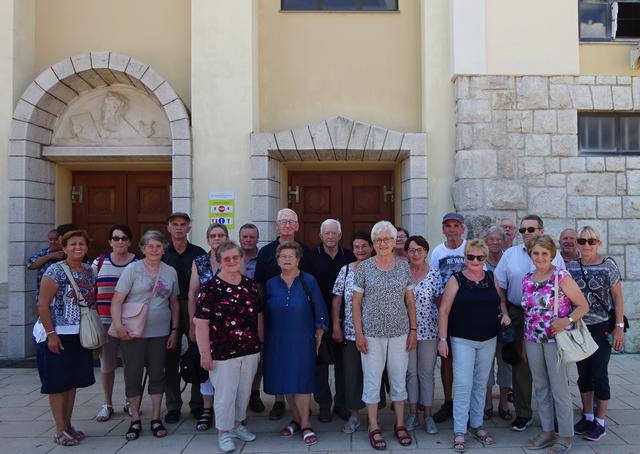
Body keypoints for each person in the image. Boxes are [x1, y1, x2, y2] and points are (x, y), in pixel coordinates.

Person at [437, 239, 510, 453]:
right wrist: (443, 339)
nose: (475, 261)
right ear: (465, 257)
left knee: (480, 384)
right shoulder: (456, 279)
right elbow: (444, 310)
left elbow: (501, 300)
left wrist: (505, 313)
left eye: (480, 257)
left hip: (488, 339)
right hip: (462, 340)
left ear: (485, 258)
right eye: (471, 257)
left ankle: (476, 425)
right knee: (463, 384)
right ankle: (460, 430)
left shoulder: (491, 277)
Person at [494, 214, 565, 432]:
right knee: (521, 365)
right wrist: (504, 310)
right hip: (518, 314)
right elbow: (499, 284)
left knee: (551, 367)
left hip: (548, 317)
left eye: (531, 229)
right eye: (523, 230)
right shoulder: (510, 254)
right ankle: (523, 413)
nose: (526, 233)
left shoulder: (555, 257)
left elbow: (563, 287)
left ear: (541, 231)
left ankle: (555, 416)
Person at [352, 221, 417, 450]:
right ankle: (373, 426)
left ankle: (400, 424)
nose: (382, 243)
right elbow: (356, 304)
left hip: (399, 333)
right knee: (372, 380)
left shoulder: (403, 267)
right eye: (378, 240)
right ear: (373, 243)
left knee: (398, 379)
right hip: (371, 335)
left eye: (386, 239)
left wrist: (413, 330)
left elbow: (410, 302)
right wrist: (359, 334)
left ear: (393, 241)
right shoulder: (364, 268)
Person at [111, 230, 180, 441]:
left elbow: (174, 302)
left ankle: (156, 417)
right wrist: (118, 326)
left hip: (160, 332)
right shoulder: (132, 269)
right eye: (150, 246)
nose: (154, 250)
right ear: (142, 248)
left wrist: (175, 330)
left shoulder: (170, 271)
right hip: (133, 332)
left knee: (157, 374)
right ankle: (135, 419)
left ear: (164, 248)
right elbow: (117, 300)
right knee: (133, 374)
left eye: (158, 246)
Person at [194, 241, 263, 452]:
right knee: (225, 394)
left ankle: (237, 425)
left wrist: (260, 343)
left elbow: (258, 315)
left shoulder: (250, 286)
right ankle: (223, 432)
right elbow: (201, 323)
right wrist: (204, 354)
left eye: (235, 257)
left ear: (241, 259)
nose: (232, 261)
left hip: (249, 349)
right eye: (227, 258)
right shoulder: (210, 289)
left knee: (243, 391)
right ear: (219, 261)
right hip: (222, 352)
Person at [522, 235, 588, 454]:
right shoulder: (527, 279)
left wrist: (566, 320)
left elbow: (583, 306)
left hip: (555, 340)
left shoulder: (561, 276)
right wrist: (524, 342)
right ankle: (548, 431)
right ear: (530, 254)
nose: (540, 257)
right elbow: (528, 312)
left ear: (552, 255)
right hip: (532, 339)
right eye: (536, 253)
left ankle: (566, 435)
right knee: (540, 387)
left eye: (544, 253)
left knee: (559, 388)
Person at [262, 242, 328, 447]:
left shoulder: (309, 280)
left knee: (301, 381)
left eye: (291, 256)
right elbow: (263, 313)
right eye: (283, 256)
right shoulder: (270, 284)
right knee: (286, 381)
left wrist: (319, 334)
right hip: (277, 340)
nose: (287, 259)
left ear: (298, 259)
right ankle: (296, 419)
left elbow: (320, 309)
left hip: (302, 339)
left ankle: (306, 424)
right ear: (277, 261)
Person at [35, 229, 96, 447]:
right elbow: (42, 305)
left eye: (81, 244)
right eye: (73, 244)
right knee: (57, 383)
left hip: (79, 334)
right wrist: (51, 334)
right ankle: (59, 429)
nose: (78, 248)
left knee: (72, 382)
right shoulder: (55, 271)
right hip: (57, 334)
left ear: (86, 248)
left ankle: (68, 425)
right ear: (64, 248)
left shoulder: (89, 271)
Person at [567, 226, 625, 442]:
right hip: (579, 327)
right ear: (577, 244)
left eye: (591, 241)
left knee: (599, 373)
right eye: (582, 241)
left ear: (598, 243)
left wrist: (619, 326)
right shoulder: (571, 266)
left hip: (601, 327)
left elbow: (617, 297)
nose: (586, 245)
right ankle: (588, 416)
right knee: (583, 373)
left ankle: (600, 422)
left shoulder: (608, 265)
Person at [254, 208, 312, 420]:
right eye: (283, 222)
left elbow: (310, 284)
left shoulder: (307, 251)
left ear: (297, 226)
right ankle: (279, 401)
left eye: (291, 222)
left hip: (298, 316)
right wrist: (260, 314)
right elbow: (259, 284)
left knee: (297, 360)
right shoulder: (265, 252)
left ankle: (302, 406)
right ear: (276, 226)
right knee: (277, 358)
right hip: (273, 315)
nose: (287, 225)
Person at [309, 219, 356, 422]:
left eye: (333, 233)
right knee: (320, 365)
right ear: (321, 236)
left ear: (340, 235)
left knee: (343, 364)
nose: (330, 237)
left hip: (344, 318)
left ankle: (341, 403)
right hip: (318, 318)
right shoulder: (311, 257)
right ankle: (324, 405)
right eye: (327, 233)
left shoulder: (349, 256)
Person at [162, 212, 206, 423]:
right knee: (170, 357)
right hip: (167, 307)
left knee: (197, 354)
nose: (179, 228)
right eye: (175, 224)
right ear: (169, 228)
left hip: (193, 305)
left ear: (189, 228)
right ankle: (173, 405)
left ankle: (197, 404)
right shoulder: (162, 253)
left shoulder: (199, 253)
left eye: (183, 224)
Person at [93, 224, 139, 422]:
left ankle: (130, 402)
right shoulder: (99, 262)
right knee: (107, 365)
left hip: (130, 322)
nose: (120, 242)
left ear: (130, 242)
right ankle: (107, 403)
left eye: (124, 238)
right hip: (105, 321)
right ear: (110, 242)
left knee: (131, 365)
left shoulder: (138, 263)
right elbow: (90, 288)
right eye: (116, 238)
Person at [187, 222, 229, 431]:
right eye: (213, 236)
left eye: (221, 235)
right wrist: (192, 324)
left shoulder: (232, 259)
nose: (217, 239)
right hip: (205, 323)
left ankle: (226, 409)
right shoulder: (200, 261)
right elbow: (192, 294)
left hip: (228, 325)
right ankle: (206, 409)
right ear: (207, 240)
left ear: (227, 238)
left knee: (227, 368)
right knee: (206, 364)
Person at [331, 231, 373, 434]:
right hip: (350, 332)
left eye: (364, 246)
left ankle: (374, 418)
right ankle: (354, 416)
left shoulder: (379, 268)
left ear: (371, 247)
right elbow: (337, 299)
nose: (360, 250)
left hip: (375, 332)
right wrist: (336, 325)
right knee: (351, 374)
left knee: (374, 375)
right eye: (356, 247)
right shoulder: (346, 270)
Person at [430, 212, 466, 423]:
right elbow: (435, 282)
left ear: (462, 229)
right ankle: (448, 401)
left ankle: (465, 403)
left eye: (456, 225)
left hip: (468, 312)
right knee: (447, 359)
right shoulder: (438, 252)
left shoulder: (469, 248)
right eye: (448, 226)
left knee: (466, 360)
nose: (452, 229)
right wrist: (441, 309)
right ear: (443, 229)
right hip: (446, 312)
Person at [404, 235, 443, 435]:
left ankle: (428, 415)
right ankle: (412, 413)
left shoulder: (435, 274)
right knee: (410, 372)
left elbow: (441, 305)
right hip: (406, 332)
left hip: (429, 331)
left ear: (426, 252)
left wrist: (443, 334)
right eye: (412, 250)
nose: (416, 254)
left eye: (419, 250)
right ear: (407, 253)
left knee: (426, 373)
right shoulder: (401, 273)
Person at [483, 226, 512, 421]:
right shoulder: (480, 260)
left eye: (498, 239)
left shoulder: (508, 259)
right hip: (484, 317)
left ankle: (503, 402)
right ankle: (487, 403)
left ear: (504, 242)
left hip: (505, 317)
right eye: (491, 239)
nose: (494, 242)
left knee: (505, 362)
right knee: (486, 362)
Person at [239, 223, 265, 412]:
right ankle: (240, 394)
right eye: (245, 236)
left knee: (259, 354)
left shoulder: (263, 257)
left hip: (258, 311)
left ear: (257, 238)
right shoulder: (233, 256)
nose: (248, 240)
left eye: (252, 237)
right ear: (240, 238)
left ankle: (255, 393)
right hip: (236, 313)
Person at [27, 224, 75, 302]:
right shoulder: (44, 253)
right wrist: (50, 256)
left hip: (64, 298)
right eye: (50, 239)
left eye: (55, 239)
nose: (53, 242)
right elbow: (31, 265)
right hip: (44, 298)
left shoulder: (69, 253)